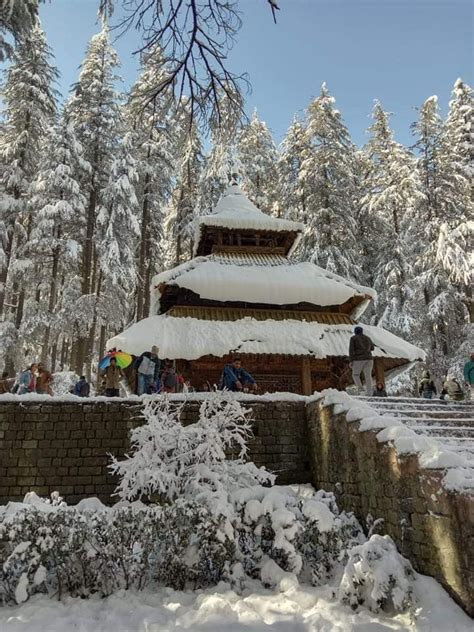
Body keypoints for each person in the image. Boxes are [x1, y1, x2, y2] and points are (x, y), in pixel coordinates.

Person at [348, 326, 374, 396]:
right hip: (369, 359)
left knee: (355, 375)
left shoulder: (353, 338)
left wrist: (351, 361)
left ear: (355, 332)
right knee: (368, 376)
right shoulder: (368, 338)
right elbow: (372, 348)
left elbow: (351, 350)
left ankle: (361, 390)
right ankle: (369, 393)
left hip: (358, 359)